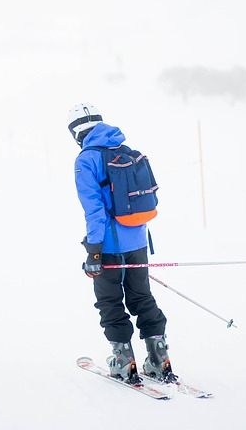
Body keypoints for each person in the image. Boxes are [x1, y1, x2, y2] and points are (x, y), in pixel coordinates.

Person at [67, 102, 176, 384]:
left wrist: (94, 251)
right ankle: (158, 359)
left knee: (110, 301)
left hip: (108, 246)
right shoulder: (125, 151)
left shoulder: (86, 160)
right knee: (142, 297)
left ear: (76, 132)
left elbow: (94, 210)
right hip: (138, 239)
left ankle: (123, 361)